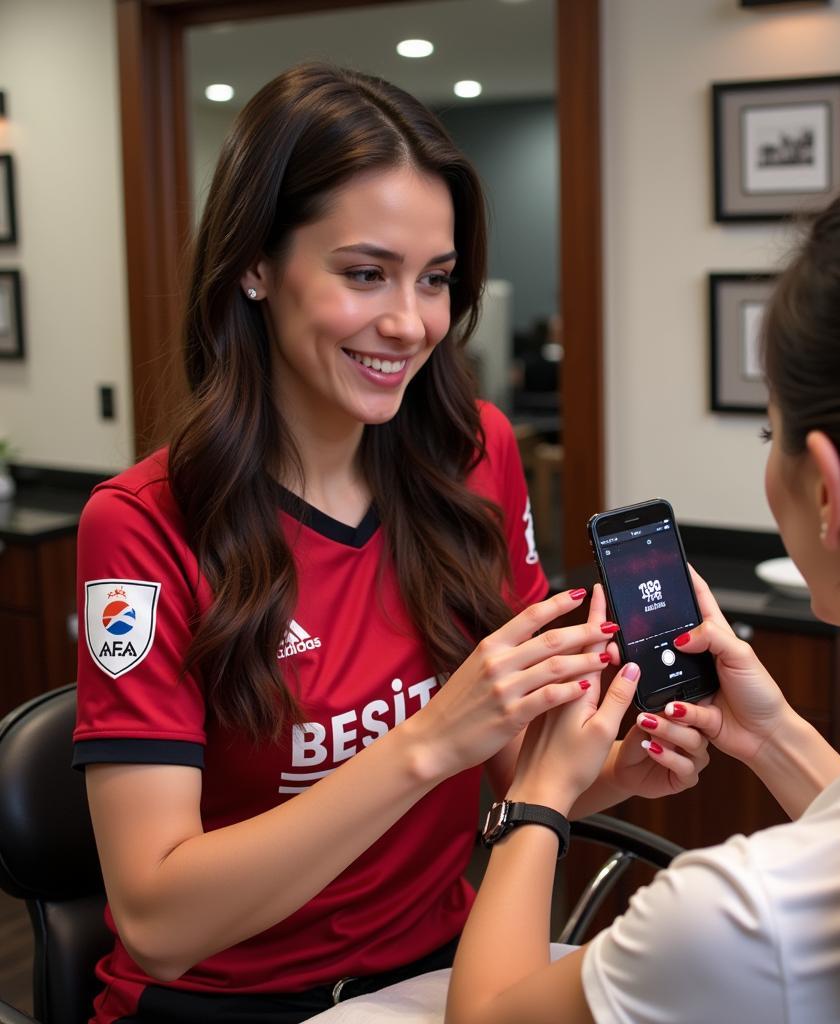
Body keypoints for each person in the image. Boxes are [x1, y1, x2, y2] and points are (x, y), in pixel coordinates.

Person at [72, 63, 708, 1023]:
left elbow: (505, 768)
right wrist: (427, 741)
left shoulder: (474, 454)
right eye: (364, 273)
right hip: (231, 1002)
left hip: (439, 970)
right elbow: (158, 921)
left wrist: (610, 770)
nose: (410, 324)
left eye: (437, 279)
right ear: (255, 264)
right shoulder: (141, 525)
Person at [444, 145, 840, 1024]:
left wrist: (539, 793)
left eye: (771, 436)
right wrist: (773, 738)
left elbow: (485, 1019)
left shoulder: (743, 915)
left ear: (828, 492)